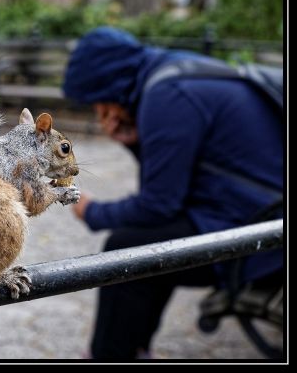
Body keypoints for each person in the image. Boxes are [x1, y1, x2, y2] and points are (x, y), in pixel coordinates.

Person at [62, 27, 284, 360]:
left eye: (95, 101)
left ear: (107, 88)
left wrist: (92, 212)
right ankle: (133, 348)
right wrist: (136, 141)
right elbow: (169, 187)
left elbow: (158, 205)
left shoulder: (165, 98)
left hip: (264, 240)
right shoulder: (171, 71)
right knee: (151, 243)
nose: (96, 111)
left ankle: (109, 355)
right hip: (262, 214)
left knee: (125, 250)